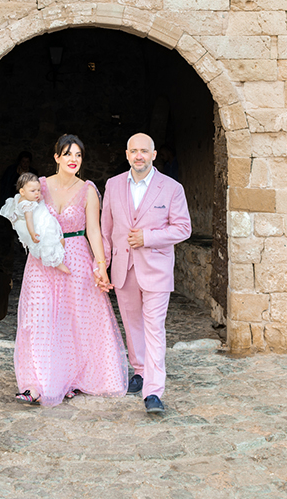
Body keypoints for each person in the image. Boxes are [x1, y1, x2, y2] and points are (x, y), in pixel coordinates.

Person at [14, 134, 128, 406]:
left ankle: (70, 379)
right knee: (38, 317)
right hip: (42, 261)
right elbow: (24, 214)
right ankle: (36, 383)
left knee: (73, 320)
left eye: (78, 155)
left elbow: (94, 232)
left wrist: (101, 267)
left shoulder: (88, 190)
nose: (73, 160)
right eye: (67, 154)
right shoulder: (39, 186)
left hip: (76, 256)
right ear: (56, 158)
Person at [101, 133, 191, 414]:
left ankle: (153, 391)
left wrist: (148, 237)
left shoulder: (172, 188)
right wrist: (102, 266)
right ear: (127, 154)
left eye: (144, 151)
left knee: (154, 329)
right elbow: (105, 231)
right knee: (132, 326)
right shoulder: (113, 185)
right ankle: (139, 370)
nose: (138, 156)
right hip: (123, 270)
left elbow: (183, 228)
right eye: (133, 151)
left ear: (153, 155)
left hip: (156, 270)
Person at [0, 172, 70, 274]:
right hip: (36, 227)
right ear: (22, 192)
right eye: (33, 191)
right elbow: (29, 220)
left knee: (58, 240)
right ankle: (57, 262)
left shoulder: (21, 198)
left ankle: (58, 256)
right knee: (49, 241)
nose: (37, 193)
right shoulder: (26, 205)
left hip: (36, 221)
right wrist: (32, 233)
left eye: (38, 190)